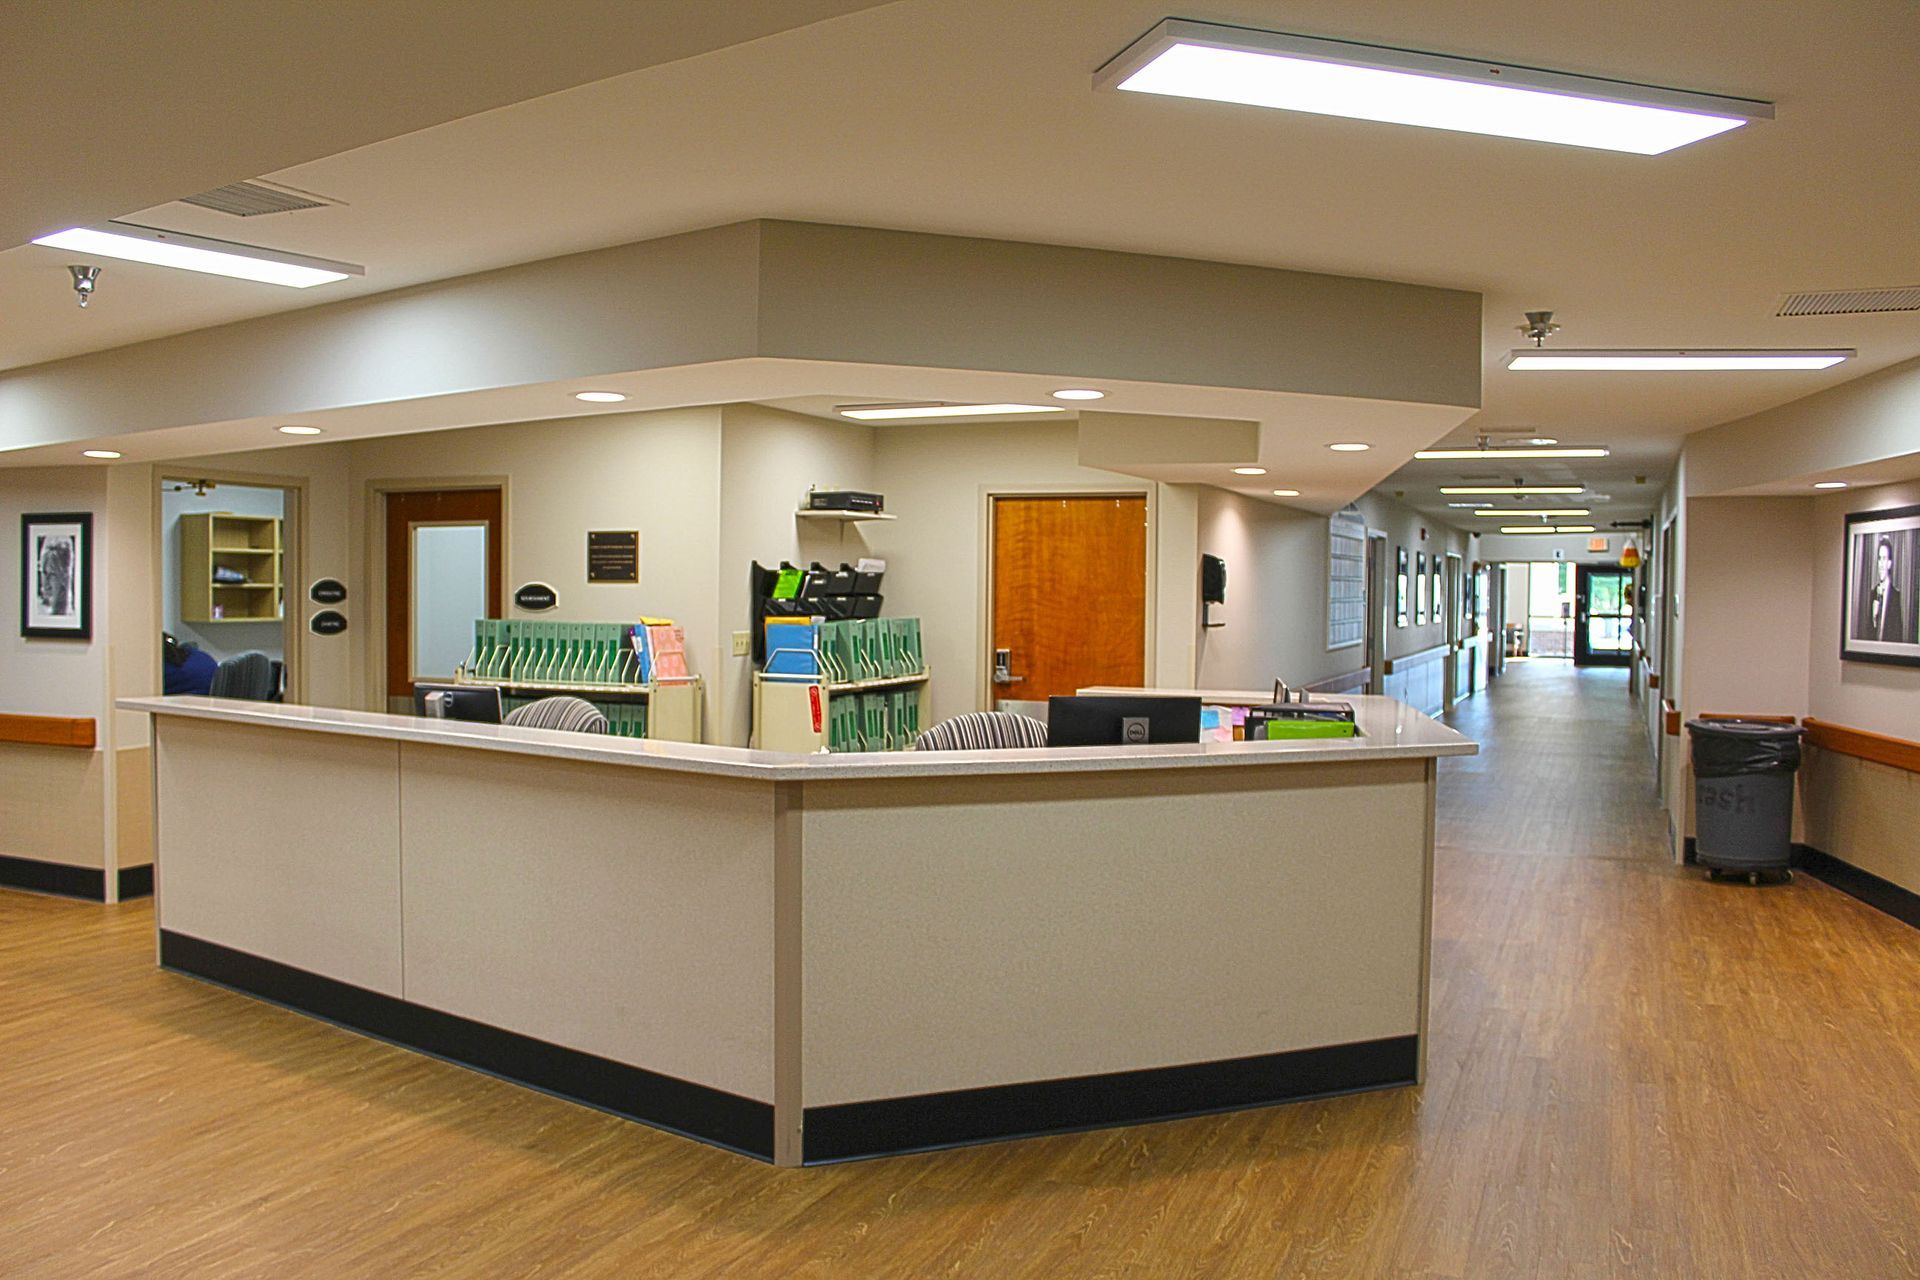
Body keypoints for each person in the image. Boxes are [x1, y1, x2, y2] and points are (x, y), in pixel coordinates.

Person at [1867, 535, 1907, 644]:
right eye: (1879, 559)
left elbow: (1898, 634)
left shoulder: (1895, 595)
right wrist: (1874, 619)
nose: (1881, 564)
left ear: (1889, 564)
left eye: (1884, 559)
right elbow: (1868, 633)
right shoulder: (1873, 593)